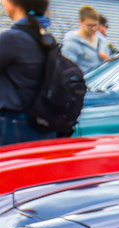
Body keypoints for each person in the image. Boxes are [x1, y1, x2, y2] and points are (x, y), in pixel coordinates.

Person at [0, 0, 52, 145]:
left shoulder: (13, 39)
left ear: (14, 3)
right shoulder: (44, 37)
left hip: (13, 127)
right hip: (40, 125)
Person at [61, 6, 107, 73]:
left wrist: (108, 59)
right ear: (80, 22)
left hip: (104, 81)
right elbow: (67, 71)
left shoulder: (102, 40)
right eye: (89, 25)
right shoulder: (71, 44)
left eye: (95, 25)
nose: (93, 28)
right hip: (84, 81)